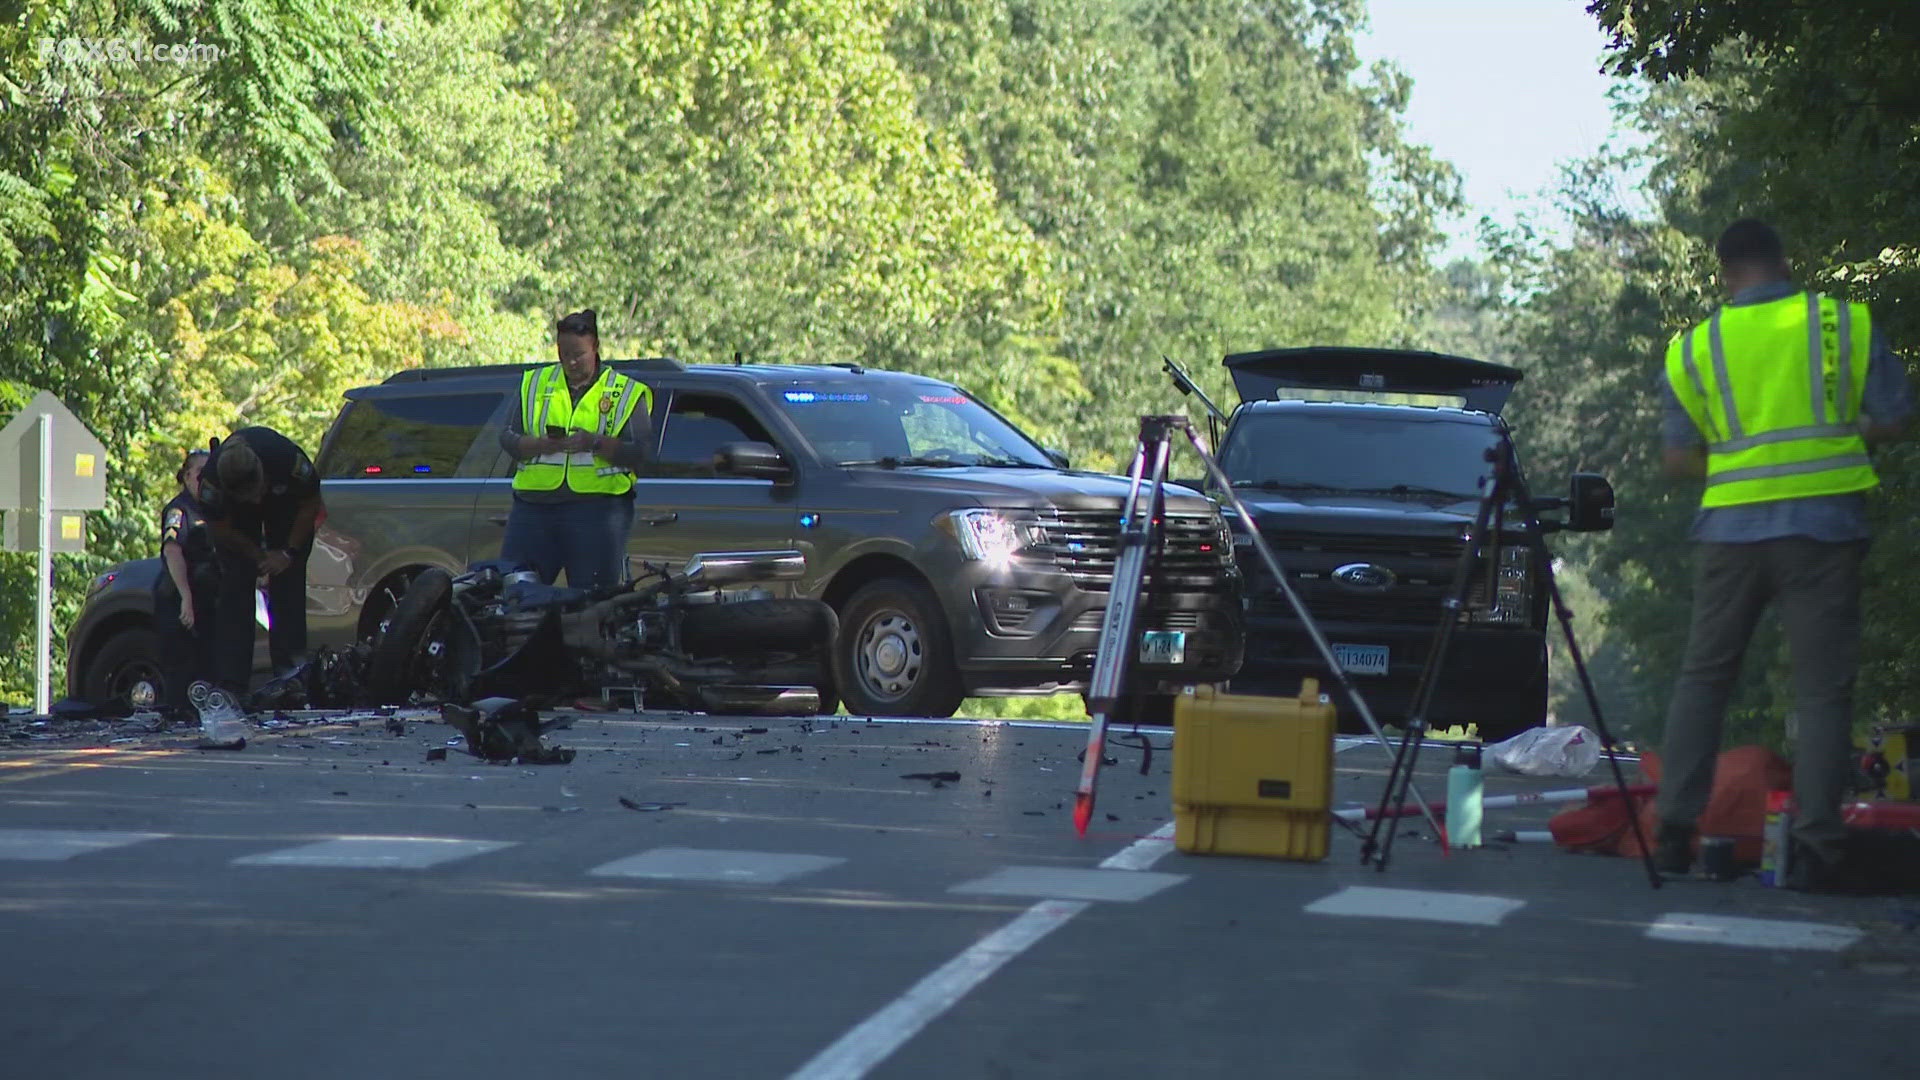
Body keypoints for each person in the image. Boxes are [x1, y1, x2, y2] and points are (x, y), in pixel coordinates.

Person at [1654, 218, 1912, 891]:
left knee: (1704, 679)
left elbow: (1679, 459)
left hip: (1730, 535)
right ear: (1783, 262)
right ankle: (1817, 847)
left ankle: (1676, 833)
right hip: (1824, 530)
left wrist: (1731, 454)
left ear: (1726, 272)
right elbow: (1895, 416)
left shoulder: (1696, 347)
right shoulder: (1844, 324)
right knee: (1823, 693)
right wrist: (1847, 430)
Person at [497, 308, 653, 591]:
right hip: (534, 509)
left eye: (578, 354)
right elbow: (507, 438)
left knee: (591, 602)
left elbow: (640, 452)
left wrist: (594, 442)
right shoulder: (534, 383)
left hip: (597, 511)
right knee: (517, 594)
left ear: (595, 347)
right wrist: (542, 444)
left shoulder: (624, 391)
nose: (570, 361)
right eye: (563, 352)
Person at [197, 426, 326, 691]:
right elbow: (220, 528)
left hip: (286, 506)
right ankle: (232, 681)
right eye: (249, 496)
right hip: (237, 521)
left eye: (256, 492)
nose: (255, 500)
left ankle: (290, 672)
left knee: (287, 585)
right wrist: (257, 556)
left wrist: (287, 553)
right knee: (235, 585)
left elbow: (312, 504)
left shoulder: (285, 458)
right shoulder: (211, 484)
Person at [155, 449, 218, 716]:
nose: (205, 480)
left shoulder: (214, 507)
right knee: (181, 663)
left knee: (209, 663)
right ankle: (179, 715)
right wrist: (186, 598)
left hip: (208, 598)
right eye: (201, 473)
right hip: (179, 597)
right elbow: (173, 551)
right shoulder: (180, 511)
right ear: (187, 475)